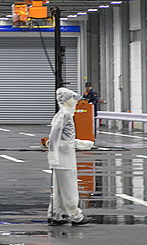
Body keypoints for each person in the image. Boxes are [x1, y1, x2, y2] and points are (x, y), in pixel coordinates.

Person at [47, 87, 93, 226]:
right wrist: (53, 153)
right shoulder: (64, 115)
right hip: (64, 158)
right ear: (66, 100)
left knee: (60, 188)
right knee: (69, 188)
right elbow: (54, 137)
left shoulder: (63, 115)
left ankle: (55, 215)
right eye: (72, 99)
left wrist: (81, 144)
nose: (75, 102)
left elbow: (63, 138)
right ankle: (76, 216)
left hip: (62, 156)